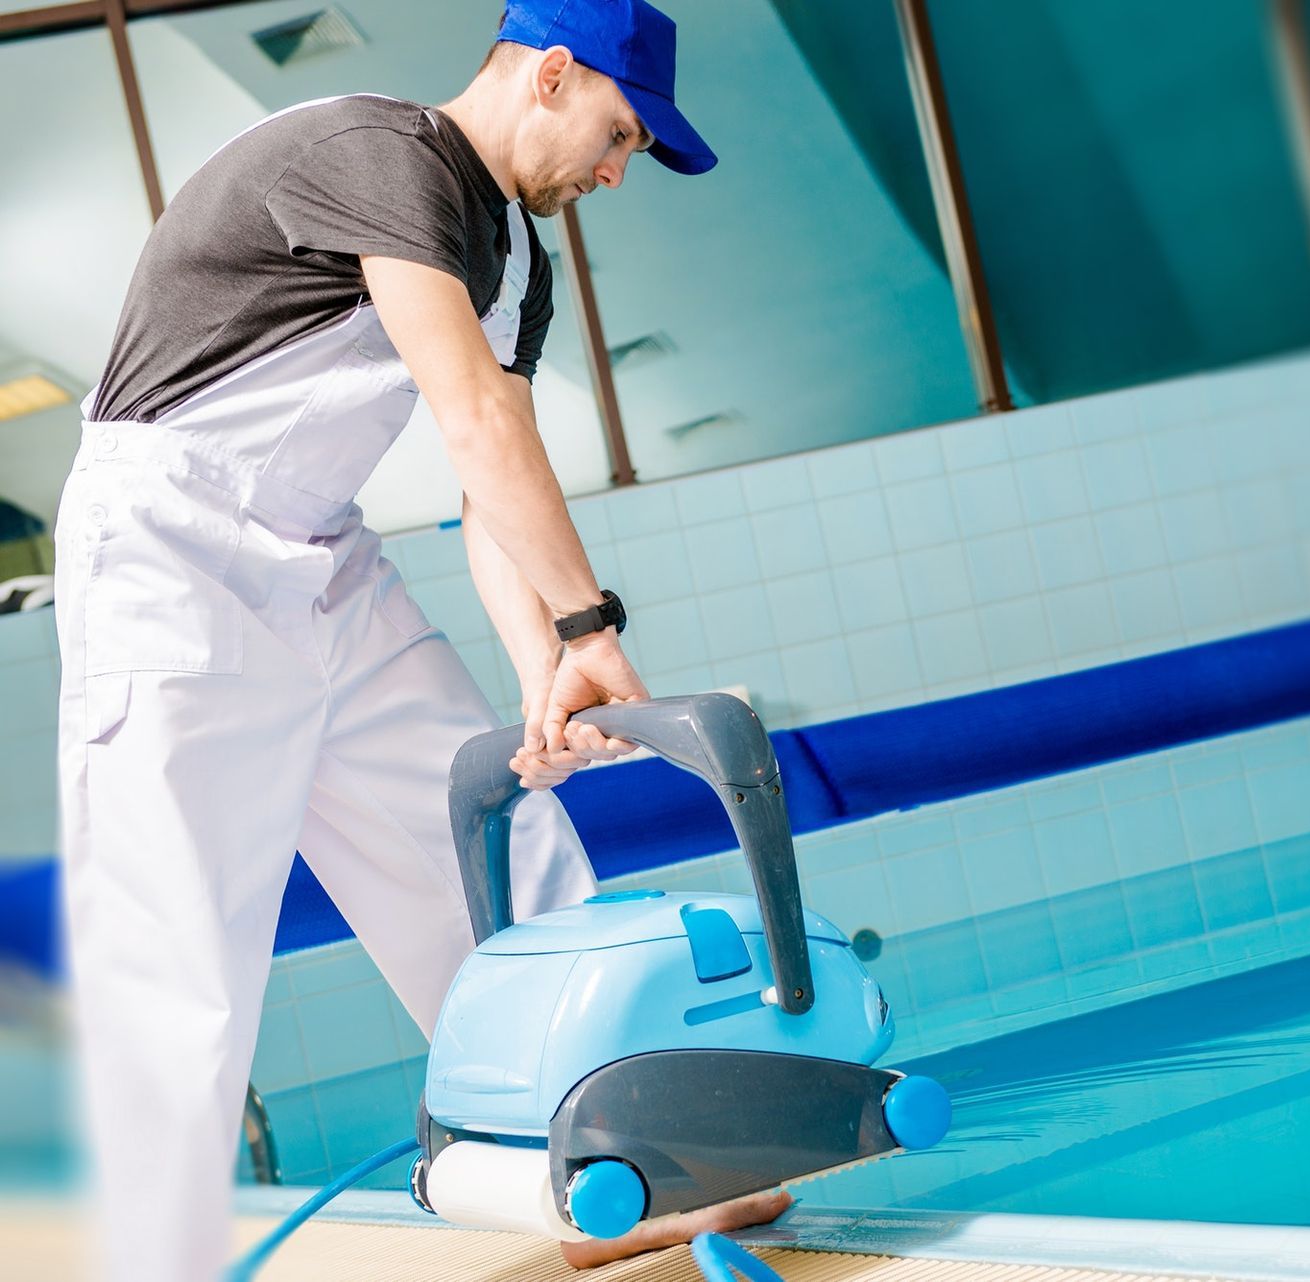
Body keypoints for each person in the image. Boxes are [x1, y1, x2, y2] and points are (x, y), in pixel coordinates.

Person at [51, 3, 788, 1279]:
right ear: (551, 74)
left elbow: (487, 496)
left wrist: (543, 672)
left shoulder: (518, 259)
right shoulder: (378, 150)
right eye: (621, 134)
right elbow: (470, 423)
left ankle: (615, 1171)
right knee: (176, 966)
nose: (619, 172)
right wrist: (590, 625)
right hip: (172, 552)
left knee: (507, 852)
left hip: (321, 561)